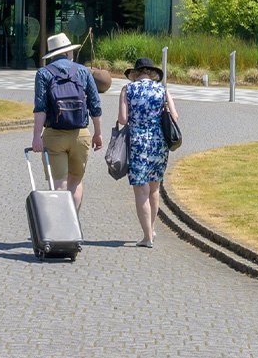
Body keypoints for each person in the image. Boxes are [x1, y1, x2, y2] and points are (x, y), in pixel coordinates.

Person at [30, 32, 103, 215]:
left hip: (54, 135)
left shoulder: (44, 73)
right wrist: (98, 133)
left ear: (52, 55)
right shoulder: (83, 71)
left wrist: (36, 137)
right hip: (80, 134)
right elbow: (95, 105)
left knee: (59, 183)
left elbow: (40, 108)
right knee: (76, 180)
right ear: (69, 53)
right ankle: (72, 224)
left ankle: (60, 227)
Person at [116, 56, 179, 247]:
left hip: (137, 143)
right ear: (152, 73)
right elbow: (174, 116)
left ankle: (147, 237)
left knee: (140, 190)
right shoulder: (162, 90)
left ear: (135, 73)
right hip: (159, 143)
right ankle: (151, 230)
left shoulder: (128, 90)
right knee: (154, 188)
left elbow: (122, 119)